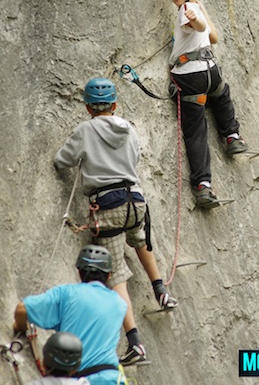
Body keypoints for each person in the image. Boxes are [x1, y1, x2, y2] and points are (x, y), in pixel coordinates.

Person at [54, 78, 177, 366]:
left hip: (107, 205)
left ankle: (135, 343)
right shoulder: (129, 129)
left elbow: (62, 161)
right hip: (135, 201)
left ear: (87, 107)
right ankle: (161, 291)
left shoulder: (84, 130)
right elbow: (135, 159)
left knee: (116, 274)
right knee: (140, 241)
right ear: (115, 104)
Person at [167, 0, 248, 208]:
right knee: (221, 95)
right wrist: (200, 11)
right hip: (210, 72)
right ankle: (232, 136)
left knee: (195, 131)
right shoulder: (193, 7)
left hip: (188, 76)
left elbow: (203, 29)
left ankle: (203, 186)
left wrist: (197, 17)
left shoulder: (187, 10)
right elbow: (214, 37)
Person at [15, 245, 128, 385]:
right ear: (109, 274)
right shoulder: (120, 304)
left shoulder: (66, 293)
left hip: (75, 378)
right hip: (111, 378)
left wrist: (20, 328)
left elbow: (21, 310)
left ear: (79, 271)